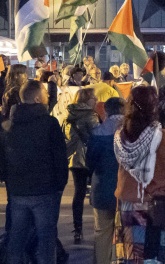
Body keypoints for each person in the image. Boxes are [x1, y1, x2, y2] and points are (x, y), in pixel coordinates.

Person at [0, 80, 69, 264]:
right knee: (46, 240)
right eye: (44, 92)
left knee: (17, 237)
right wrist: (60, 183)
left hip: (18, 189)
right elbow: (59, 157)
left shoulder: (7, 125)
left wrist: (6, 178)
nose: (48, 95)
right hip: (45, 189)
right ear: (37, 98)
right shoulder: (49, 123)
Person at [113, 86, 165, 263]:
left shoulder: (120, 137)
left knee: (131, 256)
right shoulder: (163, 137)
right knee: (155, 256)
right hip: (155, 206)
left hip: (128, 203)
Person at [87, 98, 124, 264]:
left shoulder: (97, 132)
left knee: (102, 234)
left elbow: (90, 164)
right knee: (127, 236)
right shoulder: (133, 131)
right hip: (126, 191)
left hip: (102, 189)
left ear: (106, 111)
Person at [64, 87, 101, 244]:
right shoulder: (91, 115)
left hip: (75, 159)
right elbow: (97, 135)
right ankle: (100, 225)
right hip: (89, 157)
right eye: (93, 98)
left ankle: (77, 228)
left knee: (78, 193)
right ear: (86, 100)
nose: (96, 100)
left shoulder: (69, 115)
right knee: (98, 191)